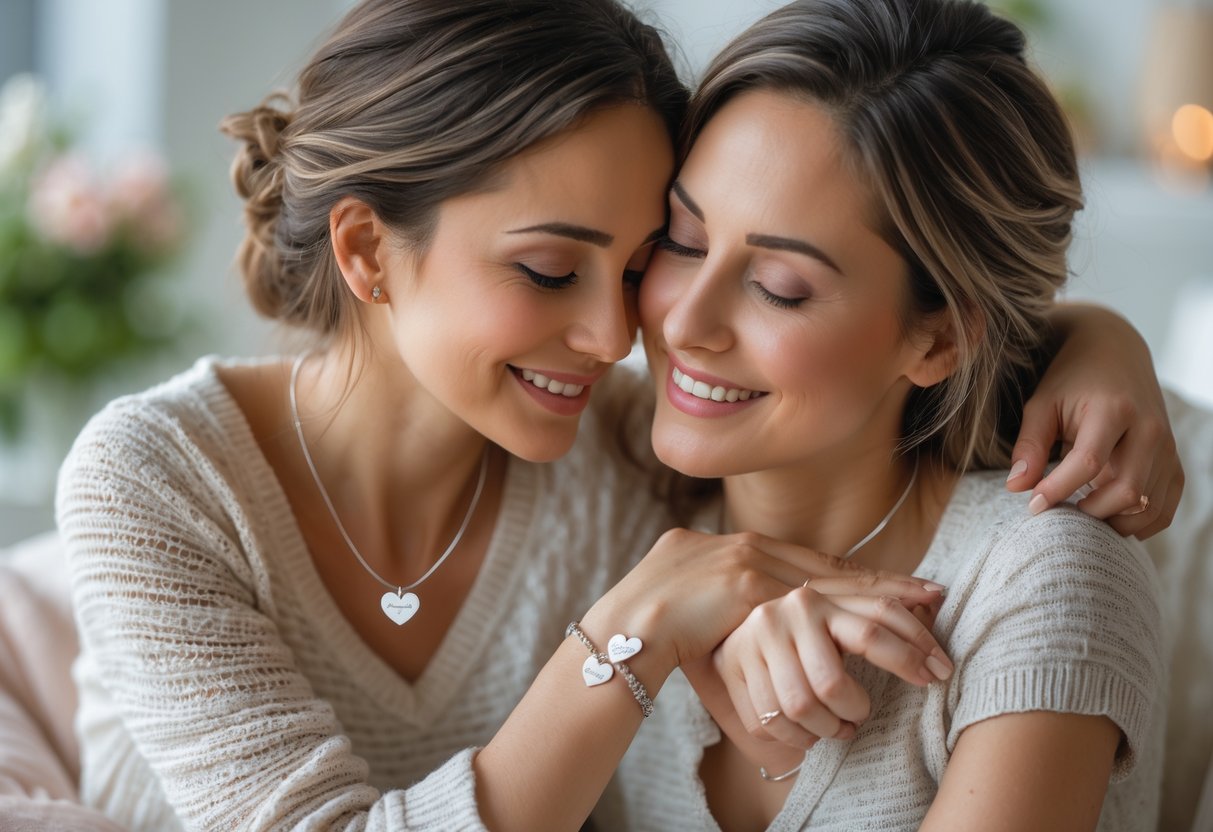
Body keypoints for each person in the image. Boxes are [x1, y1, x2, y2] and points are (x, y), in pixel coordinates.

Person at [54, 0, 1174, 830]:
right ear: (363, 250)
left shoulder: (619, 455)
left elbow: (921, 362)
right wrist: (633, 629)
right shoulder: (158, 479)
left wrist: (1095, 343)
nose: (630, 330)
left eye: (641, 255)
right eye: (552, 268)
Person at [602, 1, 1164, 829]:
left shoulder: (1038, 581)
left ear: (937, 340)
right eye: (682, 239)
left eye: (779, 288)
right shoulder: (600, 476)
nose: (684, 322)